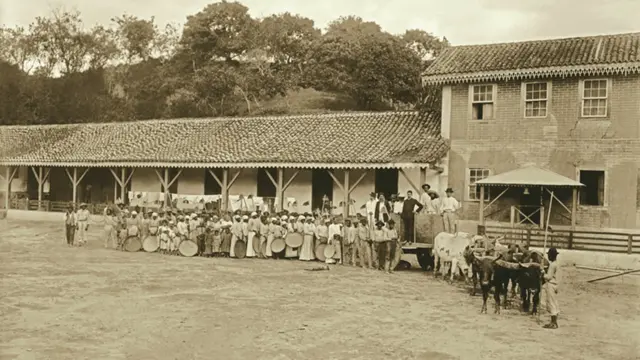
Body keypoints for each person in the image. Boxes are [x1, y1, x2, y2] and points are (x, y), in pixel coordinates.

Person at [542, 248, 560, 329]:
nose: (548, 256)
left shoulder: (552, 265)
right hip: (555, 284)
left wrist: (542, 273)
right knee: (554, 303)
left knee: (551, 303)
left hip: (551, 284)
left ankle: (553, 323)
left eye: (549, 255)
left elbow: (548, 277)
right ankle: (554, 322)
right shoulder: (556, 263)